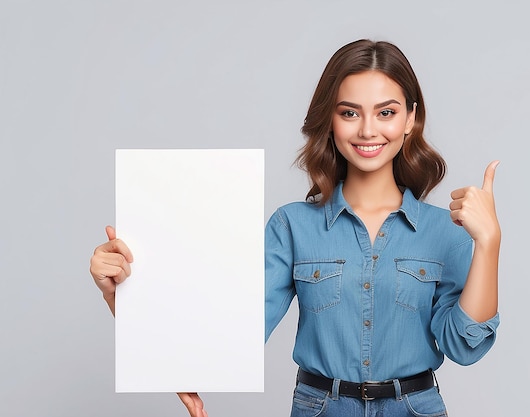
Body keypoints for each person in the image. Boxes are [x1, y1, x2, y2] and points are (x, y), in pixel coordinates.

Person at [90, 39, 501, 417]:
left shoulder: (444, 231)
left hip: (416, 408)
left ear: (411, 118)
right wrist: (122, 294)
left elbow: (463, 346)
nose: (368, 130)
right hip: (320, 407)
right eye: (349, 112)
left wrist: (489, 242)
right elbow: (231, 336)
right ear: (331, 119)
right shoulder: (292, 225)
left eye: (387, 112)